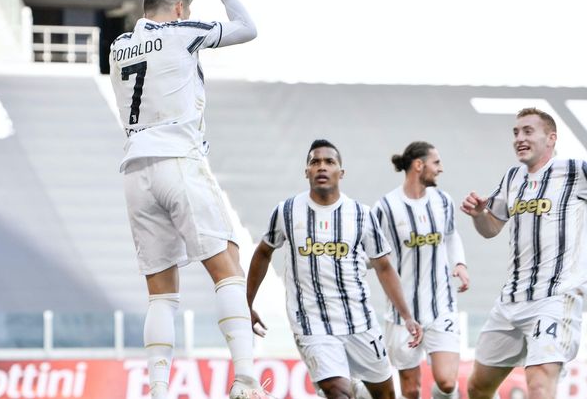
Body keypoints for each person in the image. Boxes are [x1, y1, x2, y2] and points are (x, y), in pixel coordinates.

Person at [108, 0, 264, 399]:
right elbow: (246, 28)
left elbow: (162, 34)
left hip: (135, 171)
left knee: (160, 292)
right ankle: (247, 379)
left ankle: (158, 389)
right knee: (227, 267)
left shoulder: (119, 44)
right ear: (179, 11)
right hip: (178, 158)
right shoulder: (183, 32)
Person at [247, 139, 423, 399]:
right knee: (337, 392)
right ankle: (347, 388)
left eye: (329, 162)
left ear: (341, 172)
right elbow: (263, 253)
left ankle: (358, 390)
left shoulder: (361, 214)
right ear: (306, 171)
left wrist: (407, 316)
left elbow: (384, 267)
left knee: (385, 395)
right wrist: (246, 303)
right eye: (314, 162)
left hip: (359, 321)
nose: (321, 167)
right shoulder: (286, 212)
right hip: (312, 324)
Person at [461, 107, 587, 399]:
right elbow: (491, 228)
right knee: (478, 386)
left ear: (551, 138)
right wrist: (480, 214)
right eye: (516, 132)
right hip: (511, 301)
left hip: (556, 298)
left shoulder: (573, 170)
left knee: (540, 384)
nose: (519, 138)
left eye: (528, 131)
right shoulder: (512, 177)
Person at [372, 142, 470, 399]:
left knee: (447, 382)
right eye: (436, 162)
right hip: (401, 313)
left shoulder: (443, 201)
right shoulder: (385, 207)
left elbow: (450, 236)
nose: (441, 168)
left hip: (441, 306)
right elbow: (375, 255)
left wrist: (459, 263)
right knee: (411, 390)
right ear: (419, 165)